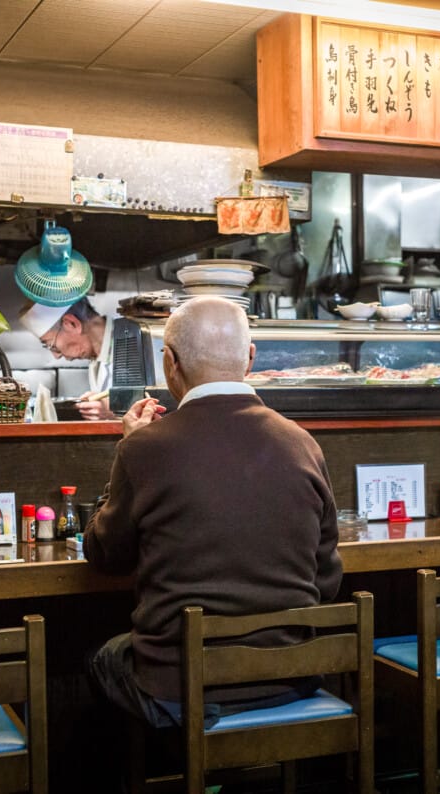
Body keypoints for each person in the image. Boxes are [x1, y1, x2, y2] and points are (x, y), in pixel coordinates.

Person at [84, 296, 343, 730]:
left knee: (100, 659)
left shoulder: (145, 448)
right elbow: (327, 580)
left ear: (170, 362)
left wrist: (126, 448)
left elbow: (106, 557)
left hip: (183, 687)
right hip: (289, 676)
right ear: (251, 358)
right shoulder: (302, 443)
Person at [18, 297, 114, 420]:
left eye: (50, 345)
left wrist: (114, 410)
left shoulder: (138, 339)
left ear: (72, 324)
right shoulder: (95, 356)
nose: (56, 356)